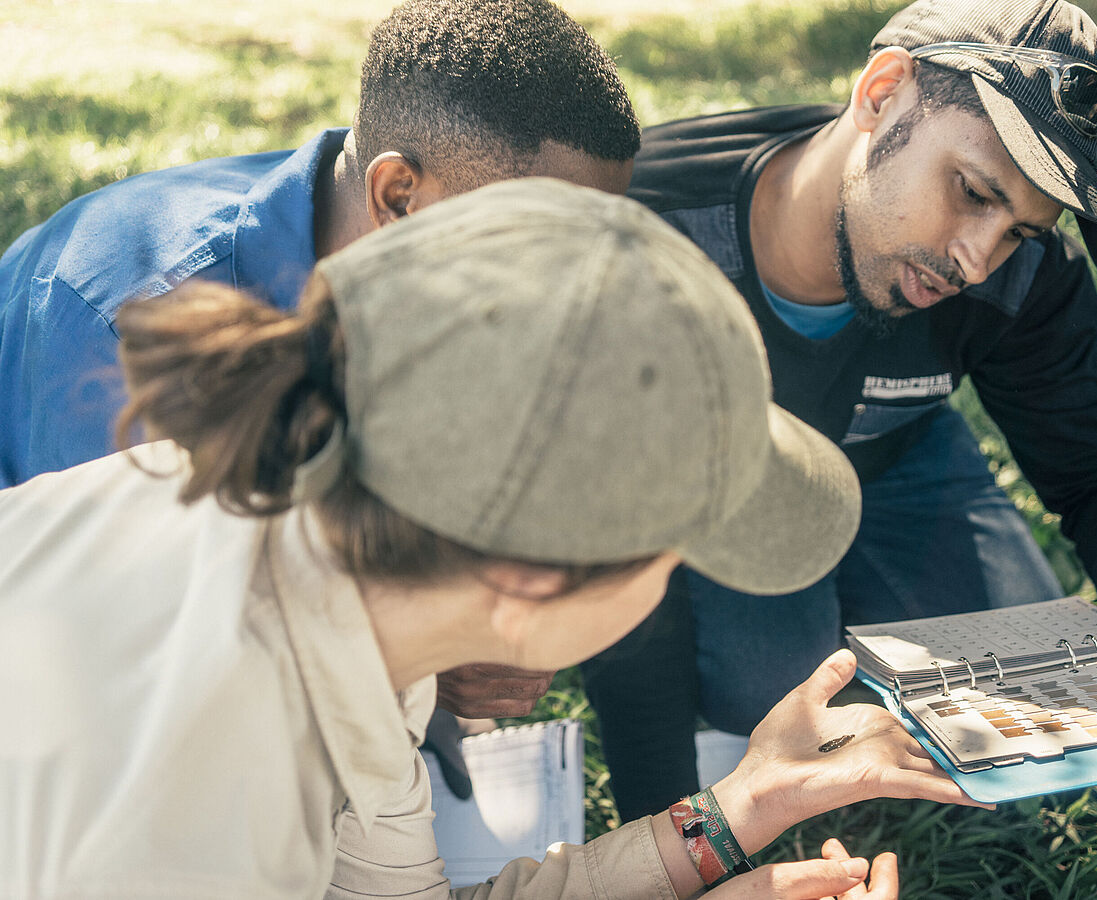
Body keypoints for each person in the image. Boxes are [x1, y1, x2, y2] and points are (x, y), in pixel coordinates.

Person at [0, 178, 986, 899]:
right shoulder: (168, 831)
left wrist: (738, 812)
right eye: (680, 552)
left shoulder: (335, 574)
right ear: (530, 581)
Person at [583, 0, 1097, 820]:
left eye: (1020, 229)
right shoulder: (643, 235)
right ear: (882, 93)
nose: (979, 260)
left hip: (899, 450)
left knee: (1021, 680)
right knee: (764, 686)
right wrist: (665, 840)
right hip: (710, 493)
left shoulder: (1020, 276)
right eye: (973, 192)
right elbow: (604, 543)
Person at [0, 0, 639, 773]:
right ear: (397, 195)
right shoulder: (127, 319)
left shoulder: (437, 279)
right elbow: (116, 655)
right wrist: (411, 648)